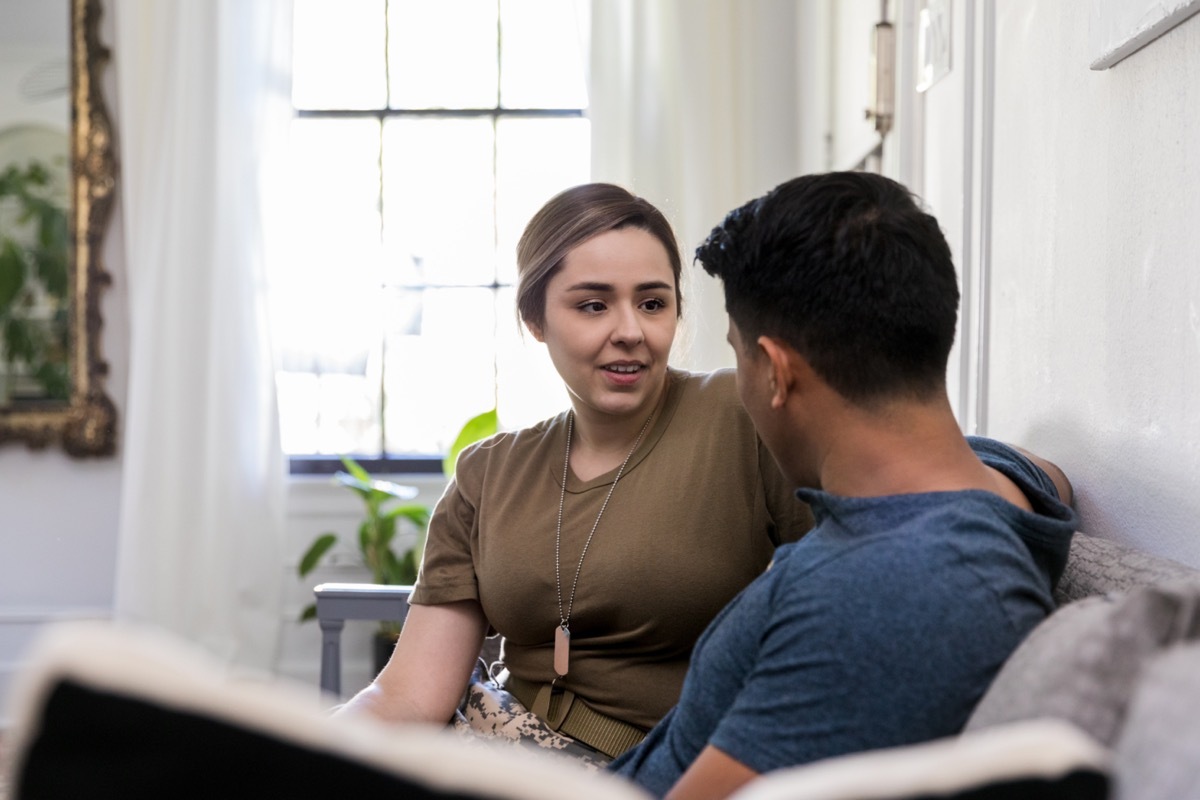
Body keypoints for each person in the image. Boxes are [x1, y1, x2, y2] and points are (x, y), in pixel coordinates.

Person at [609, 171, 1079, 799]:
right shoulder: (999, 487)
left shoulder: (887, 595)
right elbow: (1050, 473)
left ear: (775, 372)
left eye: (739, 356)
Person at [335, 183, 813, 764]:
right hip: (487, 753)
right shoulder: (490, 472)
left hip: (652, 770)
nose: (630, 331)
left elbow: (846, 599)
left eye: (653, 303)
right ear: (535, 318)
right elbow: (409, 696)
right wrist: (299, 749)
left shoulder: (743, 418)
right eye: (593, 305)